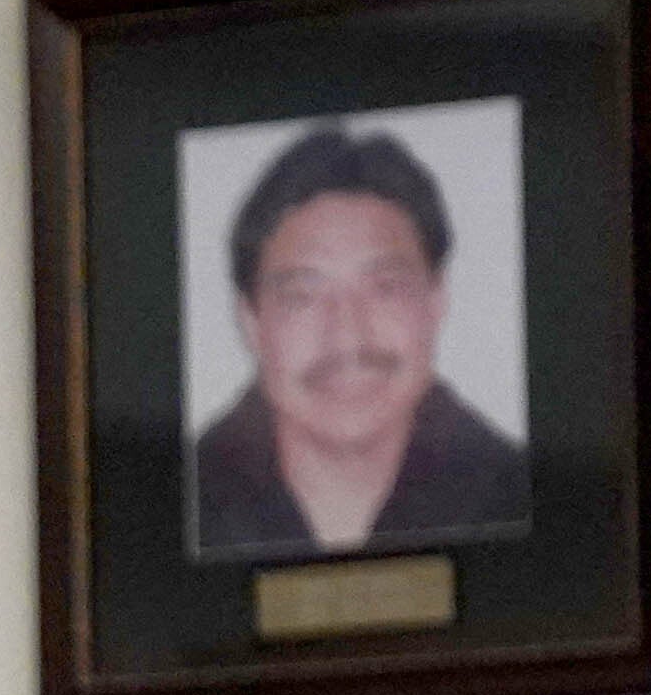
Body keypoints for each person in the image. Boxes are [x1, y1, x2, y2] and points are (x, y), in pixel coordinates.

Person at [184, 121, 528, 559]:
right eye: (303, 296)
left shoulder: (519, 493)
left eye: (384, 287)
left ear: (435, 302)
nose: (347, 335)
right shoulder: (177, 506)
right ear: (250, 321)